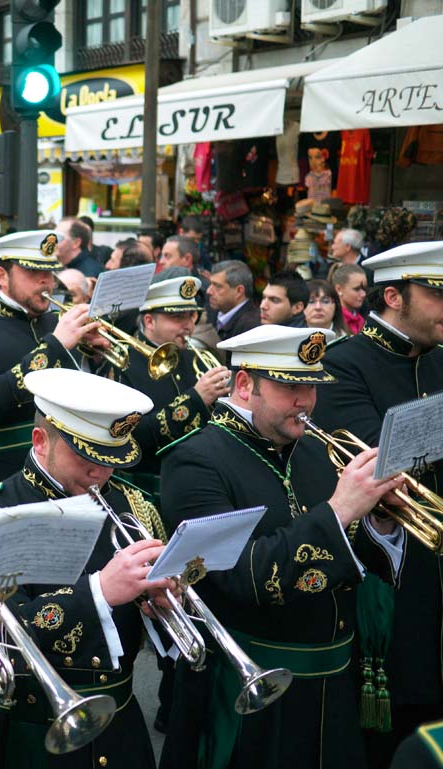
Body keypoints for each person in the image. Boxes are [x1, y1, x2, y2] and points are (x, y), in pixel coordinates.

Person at [159, 324, 406, 769]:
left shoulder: (313, 450)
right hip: (253, 693)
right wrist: (338, 511)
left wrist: (382, 518)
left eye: (311, 386)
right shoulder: (196, 458)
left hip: (336, 677)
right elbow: (239, 578)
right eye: (290, 386)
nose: (306, 401)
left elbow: (356, 560)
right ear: (243, 384)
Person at [0, 369, 173, 769]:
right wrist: (100, 593)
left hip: (120, 721)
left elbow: (156, 639)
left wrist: (164, 607)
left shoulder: (134, 507)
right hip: (27, 732)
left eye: (110, 460)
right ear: (40, 441)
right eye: (86, 456)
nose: (101, 474)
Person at [313, 241, 443, 768]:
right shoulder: (344, 365)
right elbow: (381, 465)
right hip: (394, 577)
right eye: (438, 296)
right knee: (397, 734)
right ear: (393, 296)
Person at [0, 230, 106, 486]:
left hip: (70, 469)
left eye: (49, 273)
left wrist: (96, 358)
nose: (46, 282)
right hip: (6, 472)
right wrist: (54, 347)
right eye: (32, 273)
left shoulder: (59, 323)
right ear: (2, 276)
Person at [111, 274, 230, 483]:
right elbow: (128, 434)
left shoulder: (197, 357)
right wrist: (195, 399)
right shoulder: (123, 363)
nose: (188, 326)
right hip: (153, 480)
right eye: (177, 317)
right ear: (149, 321)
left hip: (205, 471)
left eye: (191, 315)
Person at [207, 259, 260, 340]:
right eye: (210, 284)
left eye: (218, 286)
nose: (209, 291)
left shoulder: (251, 328)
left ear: (239, 291)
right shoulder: (211, 314)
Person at [331, 262, 368, 335]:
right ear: (339, 289)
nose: (363, 294)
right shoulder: (330, 320)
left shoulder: (362, 320)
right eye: (357, 289)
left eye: (364, 289)